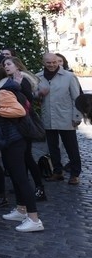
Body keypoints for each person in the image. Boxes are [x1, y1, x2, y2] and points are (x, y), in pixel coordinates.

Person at [0, 62, 44, 232]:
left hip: (13, 139)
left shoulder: (2, 91)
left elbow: (19, 111)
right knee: (16, 175)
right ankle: (21, 209)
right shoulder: (0, 88)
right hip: (10, 138)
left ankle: (34, 218)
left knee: (20, 177)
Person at [3, 56, 45, 200]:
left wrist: (18, 86)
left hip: (25, 120)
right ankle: (23, 185)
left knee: (27, 156)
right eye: (4, 65)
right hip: (17, 120)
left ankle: (39, 188)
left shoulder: (22, 79)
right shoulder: (9, 80)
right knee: (22, 157)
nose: (6, 67)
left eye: (9, 64)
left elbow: (28, 99)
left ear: (17, 66)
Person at [37, 53, 82, 185]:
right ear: (43, 63)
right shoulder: (38, 76)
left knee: (71, 147)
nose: (51, 65)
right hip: (48, 116)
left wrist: (77, 116)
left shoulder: (69, 76)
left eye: (54, 62)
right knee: (52, 146)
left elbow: (77, 98)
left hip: (66, 117)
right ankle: (57, 171)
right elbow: (34, 95)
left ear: (58, 62)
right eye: (48, 63)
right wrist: (39, 94)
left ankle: (75, 174)